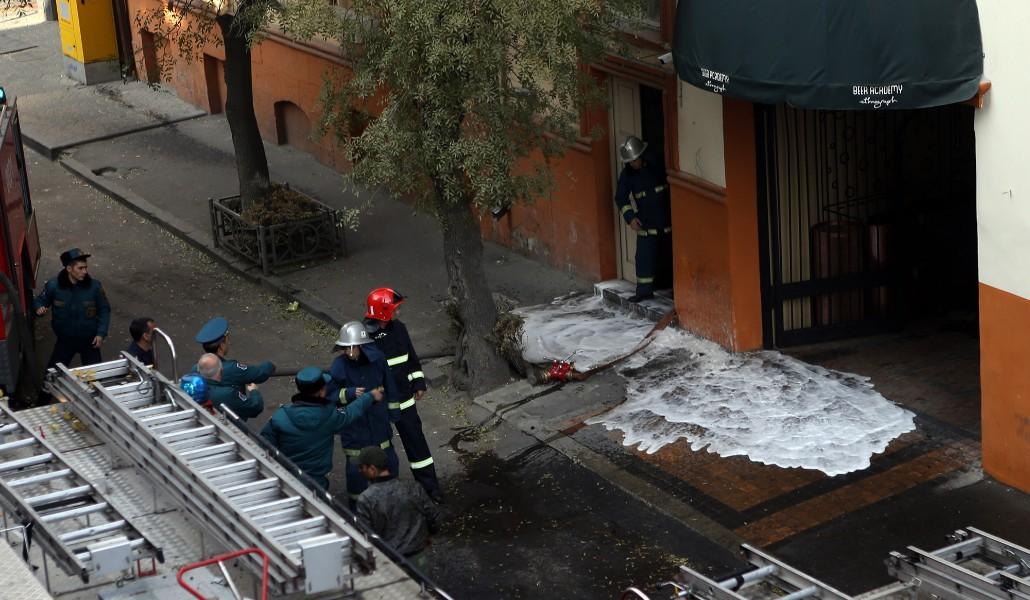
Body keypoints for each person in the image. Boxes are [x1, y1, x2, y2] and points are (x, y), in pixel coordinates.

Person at [365, 288, 442, 502]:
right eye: (394, 309)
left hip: (404, 398)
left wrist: (418, 382)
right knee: (381, 449)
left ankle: (430, 488)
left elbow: (411, 359)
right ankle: (386, 495)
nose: (398, 312)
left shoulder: (399, 329)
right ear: (382, 312)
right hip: (380, 403)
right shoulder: (366, 337)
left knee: (417, 446)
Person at [260, 366, 383, 489]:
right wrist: (370, 396)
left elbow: (263, 444)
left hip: (284, 478)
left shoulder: (280, 416)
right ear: (321, 391)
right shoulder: (330, 417)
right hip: (315, 483)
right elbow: (350, 412)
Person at [325, 321, 400, 507]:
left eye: (351, 348)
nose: (348, 352)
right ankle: (358, 512)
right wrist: (349, 393)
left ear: (362, 346)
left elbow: (389, 384)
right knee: (356, 475)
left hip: (379, 423)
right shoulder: (339, 365)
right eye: (345, 348)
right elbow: (330, 394)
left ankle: (390, 506)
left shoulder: (377, 359)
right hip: (355, 429)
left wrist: (393, 413)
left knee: (389, 464)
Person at [356, 445, 439, 569]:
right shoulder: (413, 487)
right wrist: (428, 536)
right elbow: (433, 517)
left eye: (362, 467)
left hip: (389, 562)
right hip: (418, 556)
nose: (359, 471)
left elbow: (366, 536)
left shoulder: (366, 499)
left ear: (372, 469)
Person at [614, 135, 673, 302]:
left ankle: (674, 289)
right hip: (645, 223)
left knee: (669, 257)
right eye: (629, 162)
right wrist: (630, 218)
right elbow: (621, 198)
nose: (632, 164)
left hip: (667, 221)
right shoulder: (627, 175)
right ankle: (644, 292)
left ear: (641, 155)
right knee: (644, 258)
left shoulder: (657, 163)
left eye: (634, 160)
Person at [33, 248, 111, 369]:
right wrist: (39, 308)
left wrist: (101, 334)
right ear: (69, 269)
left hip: (89, 341)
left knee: (96, 376)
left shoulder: (94, 287)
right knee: (53, 375)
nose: (85, 271)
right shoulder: (54, 286)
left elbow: (104, 310)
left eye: (85, 267)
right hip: (65, 341)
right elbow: (39, 301)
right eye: (80, 268)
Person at [195, 316, 276, 394]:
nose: (229, 342)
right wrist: (270, 365)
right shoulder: (232, 369)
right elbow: (259, 374)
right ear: (221, 346)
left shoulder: (197, 367)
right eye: (227, 338)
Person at [196, 352, 264, 420]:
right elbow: (254, 407)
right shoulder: (227, 394)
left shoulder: (193, 381)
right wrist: (254, 391)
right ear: (221, 370)